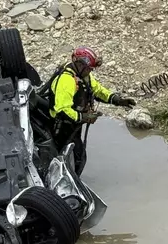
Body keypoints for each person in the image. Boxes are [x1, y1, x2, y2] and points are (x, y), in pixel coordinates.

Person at [45, 46, 136, 175]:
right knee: (75, 157)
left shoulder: (83, 75)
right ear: (79, 64)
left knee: (79, 155)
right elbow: (62, 110)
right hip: (62, 129)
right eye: (89, 68)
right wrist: (83, 117)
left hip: (73, 125)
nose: (90, 71)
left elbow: (97, 90)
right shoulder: (66, 81)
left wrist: (116, 100)